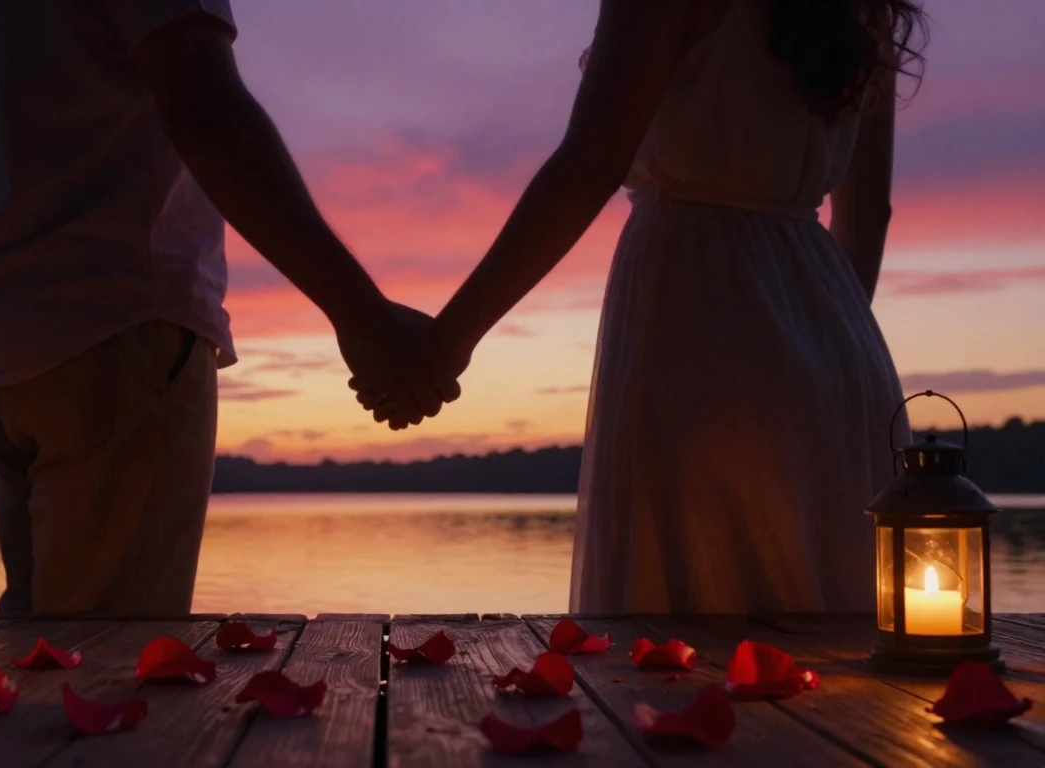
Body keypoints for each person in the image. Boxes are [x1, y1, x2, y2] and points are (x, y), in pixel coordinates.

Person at [357, 0, 927, 613]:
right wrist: (814, 357)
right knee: (826, 644)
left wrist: (448, 343)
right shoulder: (866, 10)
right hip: (837, 339)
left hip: (694, 316)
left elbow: (592, 160)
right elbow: (867, 217)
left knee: (680, 643)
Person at [0, 1, 459, 615]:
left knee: (37, 659)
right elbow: (202, 99)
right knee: (109, 674)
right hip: (118, 321)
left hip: (1, 332)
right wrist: (362, 316)